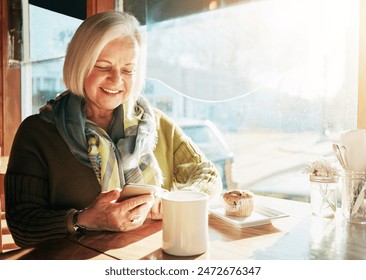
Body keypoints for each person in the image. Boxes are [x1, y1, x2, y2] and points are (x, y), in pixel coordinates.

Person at [4, 11, 222, 248]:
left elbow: (207, 173)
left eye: (128, 70)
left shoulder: (155, 123)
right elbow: (22, 227)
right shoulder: (37, 133)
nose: (117, 79)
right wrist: (86, 219)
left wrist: (174, 200)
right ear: (79, 65)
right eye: (103, 66)